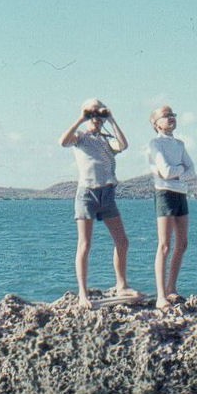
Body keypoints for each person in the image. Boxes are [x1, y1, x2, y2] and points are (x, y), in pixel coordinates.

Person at [59, 98, 140, 309]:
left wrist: (111, 119)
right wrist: (81, 118)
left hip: (107, 193)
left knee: (122, 241)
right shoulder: (80, 137)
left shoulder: (105, 140)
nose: (95, 118)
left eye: (98, 114)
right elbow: (63, 141)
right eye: (92, 114)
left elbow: (123, 145)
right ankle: (83, 293)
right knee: (84, 244)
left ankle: (121, 285)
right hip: (87, 194)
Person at [148, 105, 196, 312]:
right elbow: (165, 172)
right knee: (165, 245)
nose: (170, 118)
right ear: (156, 123)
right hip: (165, 193)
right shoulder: (154, 144)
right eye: (165, 116)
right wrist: (180, 171)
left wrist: (177, 172)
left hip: (180, 194)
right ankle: (160, 295)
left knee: (182, 243)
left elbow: (192, 171)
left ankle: (171, 288)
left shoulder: (179, 144)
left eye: (172, 115)